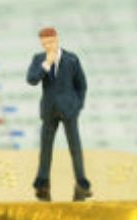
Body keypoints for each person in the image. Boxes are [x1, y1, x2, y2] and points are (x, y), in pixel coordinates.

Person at [26, 27, 91, 200]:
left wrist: (78, 105)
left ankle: (81, 180)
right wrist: (46, 65)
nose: (49, 46)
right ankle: (42, 180)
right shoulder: (39, 59)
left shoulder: (71, 59)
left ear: (57, 39)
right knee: (46, 147)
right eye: (45, 44)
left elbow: (82, 84)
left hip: (69, 110)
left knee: (74, 146)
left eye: (51, 42)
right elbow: (32, 79)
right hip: (49, 110)